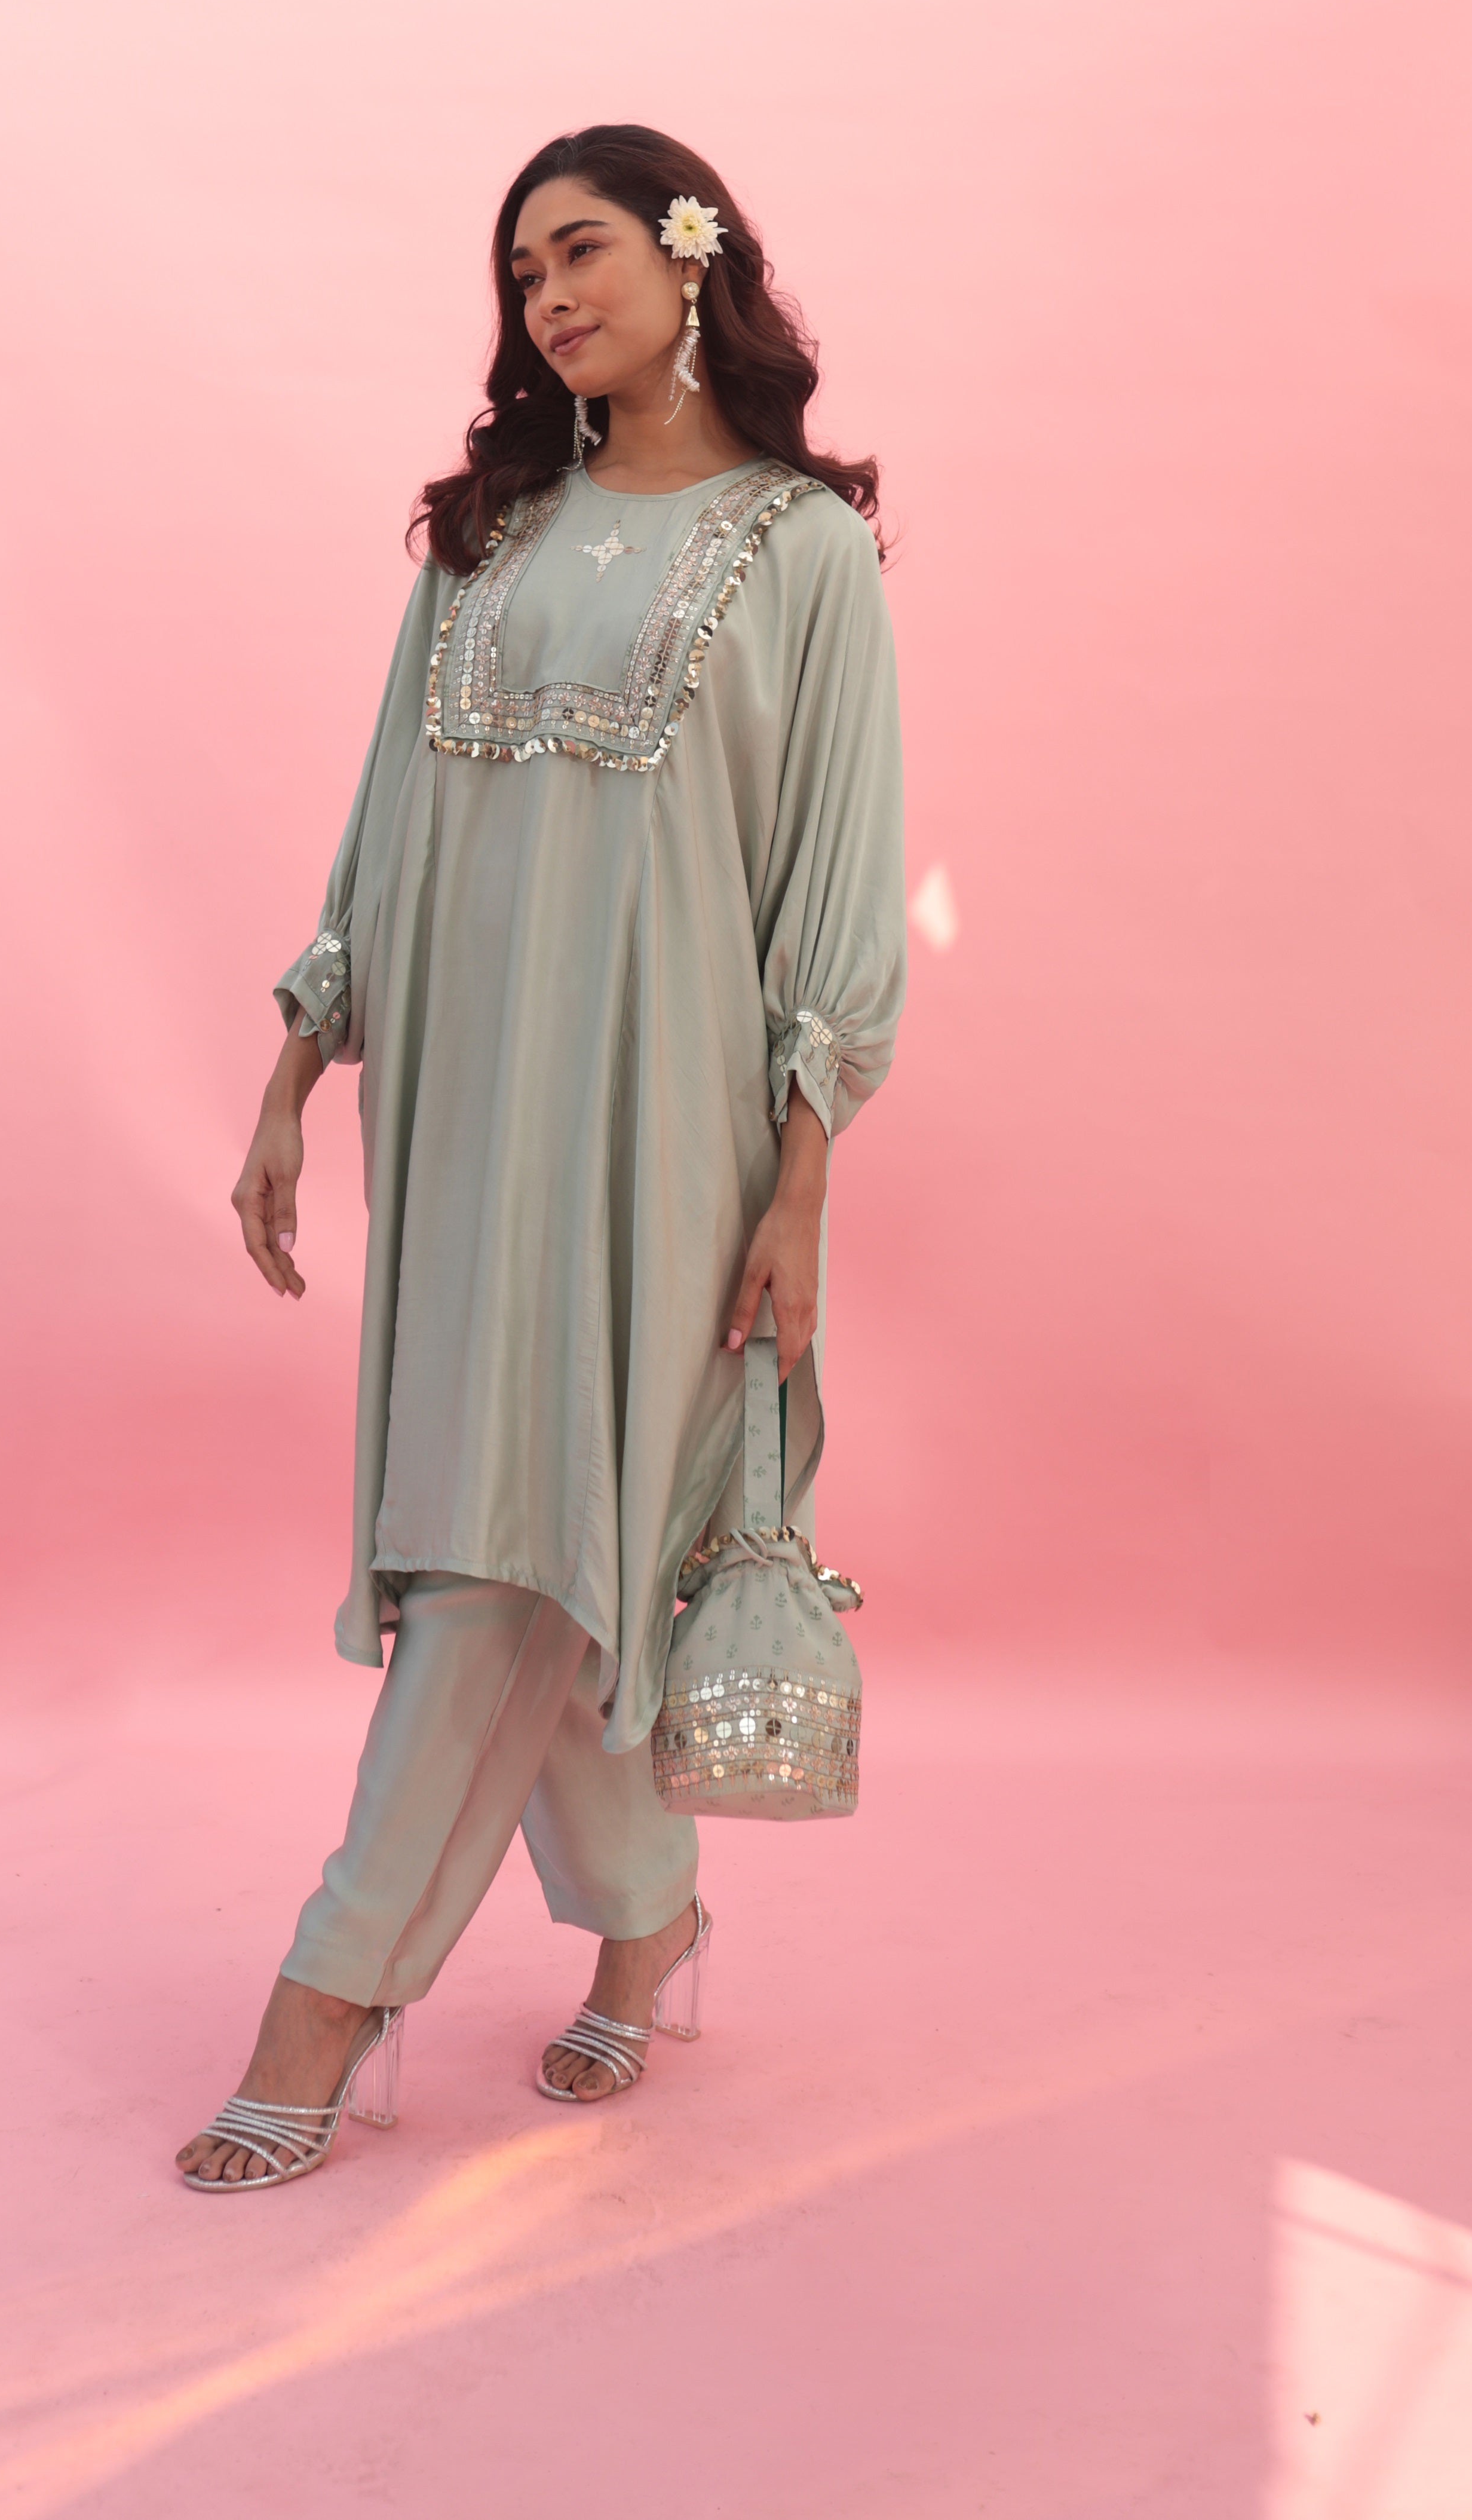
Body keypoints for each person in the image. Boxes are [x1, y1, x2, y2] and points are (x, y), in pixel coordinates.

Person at [177, 124, 904, 2191]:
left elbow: (837, 881)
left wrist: (800, 1180)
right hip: (467, 1102)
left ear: (691, 261)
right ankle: (651, 1918)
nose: (550, 297)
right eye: (521, 273)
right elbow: (385, 820)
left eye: (581, 251)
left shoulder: (806, 552)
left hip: (670, 1131)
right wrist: (297, 1063)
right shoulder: (486, 534)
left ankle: (330, 1996)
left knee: (517, 1557)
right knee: (504, 1533)